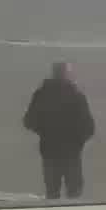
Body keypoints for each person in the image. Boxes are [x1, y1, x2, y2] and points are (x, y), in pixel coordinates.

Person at [23, 63, 95, 200]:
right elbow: (89, 128)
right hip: (72, 153)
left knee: (52, 194)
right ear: (67, 75)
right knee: (74, 194)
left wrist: (44, 132)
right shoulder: (77, 96)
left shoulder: (42, 95)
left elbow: (28, 121)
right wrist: (78, 142)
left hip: (49, 151)